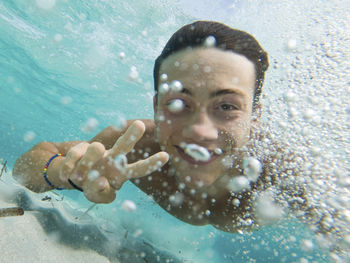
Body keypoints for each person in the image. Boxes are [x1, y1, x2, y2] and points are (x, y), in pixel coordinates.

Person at [13, 21, 301, 233]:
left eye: (226, 107)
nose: (200, 130)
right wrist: (65, 174)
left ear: (255, 116)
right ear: (156, 108)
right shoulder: (134, 143)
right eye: (178, 104)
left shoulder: (280, 171)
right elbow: (25, 168)